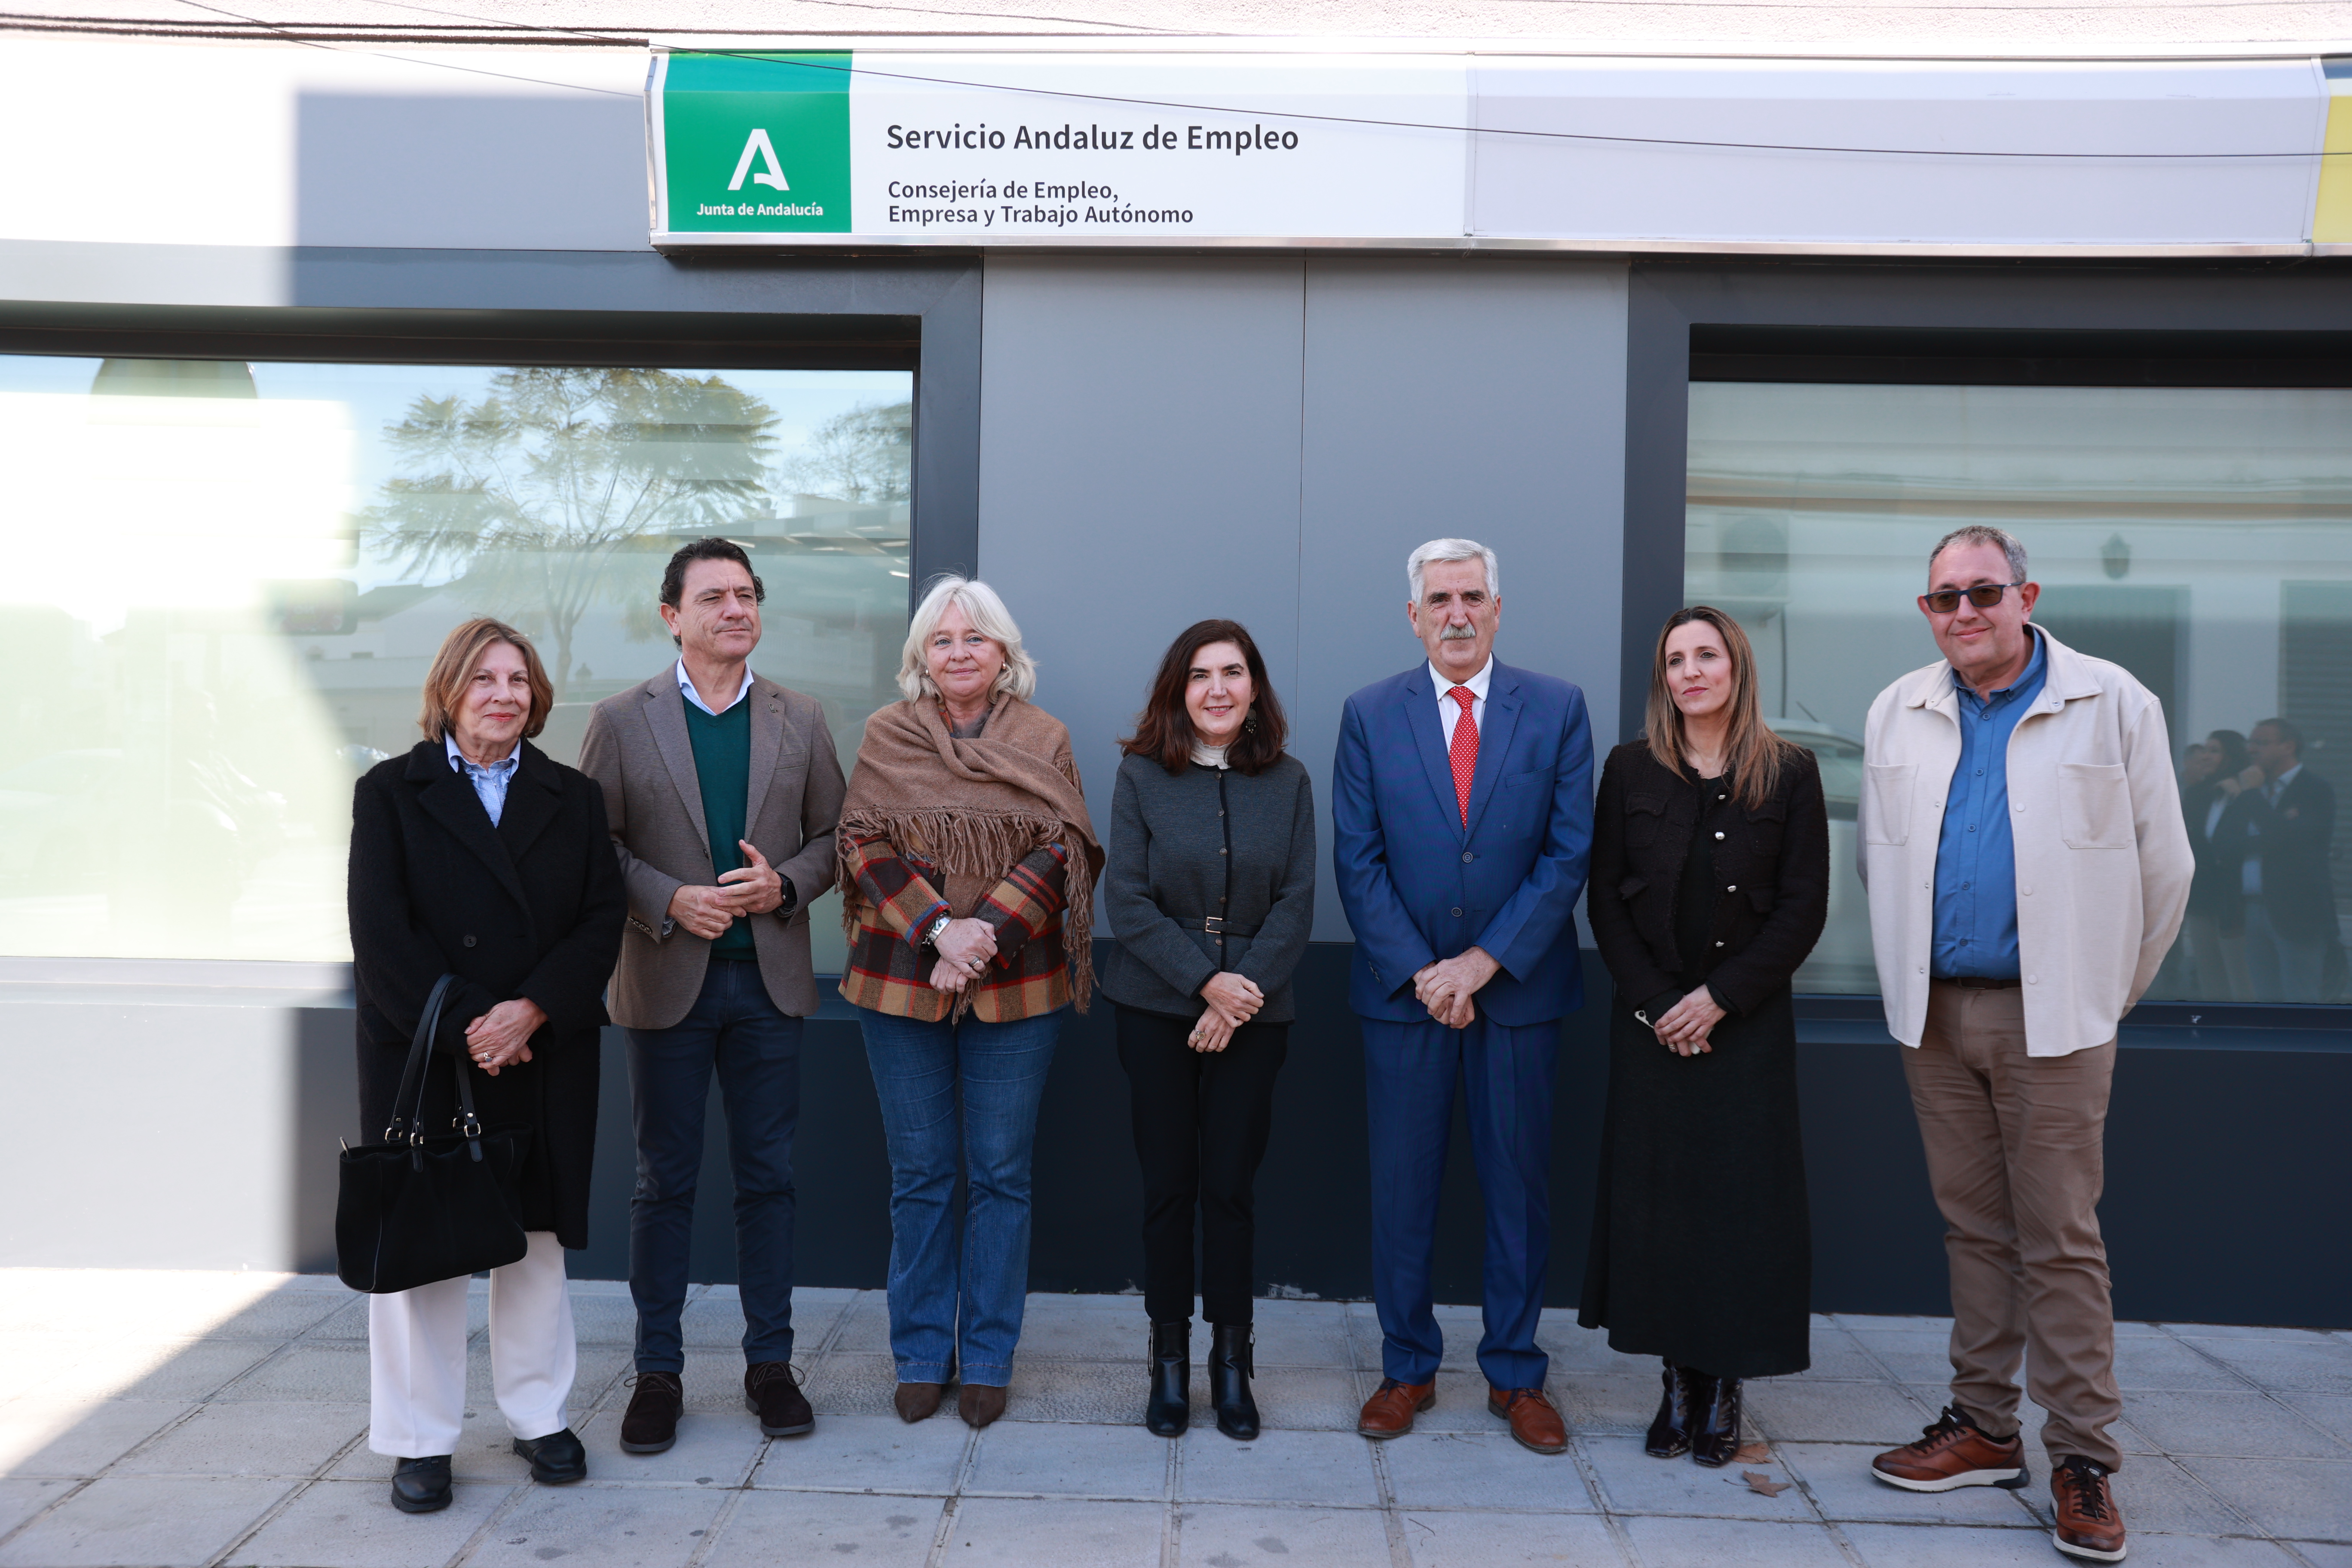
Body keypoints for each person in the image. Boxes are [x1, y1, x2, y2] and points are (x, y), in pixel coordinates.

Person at [1860, 526, 2190, 1565]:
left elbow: (2165, 871)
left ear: (2025, 595)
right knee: (1973, 1230)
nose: (1962, 612)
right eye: (1942, 598)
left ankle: (2083, 1457)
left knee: (2059, 1238)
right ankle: (1983, 1426)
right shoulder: (1898, 708)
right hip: (1935, 1017)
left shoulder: (2113, 701)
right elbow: (1880, 862)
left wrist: (2098, 995)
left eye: (1981, 593)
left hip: (2055, 1020)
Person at [348, 619, 625, 1514]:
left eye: (518, 679)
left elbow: (601, 920)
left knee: (533, 1242)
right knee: (424, 1247)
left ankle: (539, 1415)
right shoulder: (389, 792)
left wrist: (532, 1009)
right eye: (484, 679)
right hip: (428, 1045)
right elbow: (381, 934)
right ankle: (418, 1439)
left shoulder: (573, 796)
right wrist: (477, 1022)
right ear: (449, 691)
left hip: (543, 1047)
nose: (503, 694)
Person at [577, 538, 847, 1455]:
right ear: (672, 616)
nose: (736, 609)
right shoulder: (621, 720)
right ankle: (657, 1373)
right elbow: (595, 848)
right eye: (714, 597)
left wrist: (786, 885)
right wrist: (667, 898)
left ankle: (771, 1365)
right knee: (664, 1183)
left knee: (769, 1180)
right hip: (666, 984)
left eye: (746, 594)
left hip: (769, 985)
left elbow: (836, 838)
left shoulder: (801, 717)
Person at [1331, 537, 1595, 1458]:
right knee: (1402, 1190)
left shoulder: (1556, 707)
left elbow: (1567, 852)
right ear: (1413, 616)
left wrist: (1481, 963)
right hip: (1404, 998)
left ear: (1496, 608)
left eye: (1472, 596)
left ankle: (1516, 1373)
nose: (1456, 613)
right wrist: (1425, 972)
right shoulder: (1370, 714)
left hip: (1517, 993)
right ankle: (1406, 1366)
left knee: (1517, 1191)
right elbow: (1357, 859)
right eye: (1439, 599)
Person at [836, 575, 1104, 1430]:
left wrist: (982, 935)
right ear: (923, 653)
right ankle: (921, 1353)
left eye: (975, 638)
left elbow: (1064, 846)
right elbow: (861, 840)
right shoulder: (888, 733)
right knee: (921, 1175)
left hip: (1015, 982)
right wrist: (939, 930)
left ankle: (987, 1356)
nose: (958, 653)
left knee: (1000, 1174)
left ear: (1003, 651)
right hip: (900, 979)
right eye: (943, 639)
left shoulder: (1043, 737)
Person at [1580, 607, 1828, 1467]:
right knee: (1662, 1210)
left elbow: (1802, 906)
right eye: (1675, 659)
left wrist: (1719, 998)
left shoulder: (1789, 772)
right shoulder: (1630, 768)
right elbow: (1604, 897)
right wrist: (1659, 1003)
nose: (1690, 671)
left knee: (1738, 1212)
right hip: (1651, 1028)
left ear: (1736, 667)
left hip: (1744, 1029)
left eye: (1706, 655)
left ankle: (1724, 1384)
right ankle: (1677, 1383)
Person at [1101, 619, 1317, 1441]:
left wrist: (1237, 995)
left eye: (1232, 672)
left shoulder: (1289, 781)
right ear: (1178, 689)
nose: (1217, 688)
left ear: (1254, 688)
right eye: (1200, 674)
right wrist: (1204, 984)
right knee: (1168, 1187)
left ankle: (1232, 1363)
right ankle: (1167, 1363)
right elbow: (1126, 900)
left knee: (1229, 1188)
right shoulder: (1139, 775)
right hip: (1155, 1010)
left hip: (1256, 1014)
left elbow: (1297, 901)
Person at [2220, 717, 2336, 1003]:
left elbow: (2291, 841)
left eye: (2261, 743)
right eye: (2251, 743)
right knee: (2265, 1001)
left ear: (2288, 747)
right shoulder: (2255, 789)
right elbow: (2226, 843)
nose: (2252, 749)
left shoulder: (2314, 790)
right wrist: (2272, 835)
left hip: (2295, 911)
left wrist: (2252, 797)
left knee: (2300, 1000)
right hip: (2252, 909)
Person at [2177, 730, 2252, 1000]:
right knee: (2210, 978)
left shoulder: (2247, 792)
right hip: (2202, 896)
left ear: (2231, 756)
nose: (2205, 756)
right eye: (2205, 750)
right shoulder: (2197, 793)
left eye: (2214, 751)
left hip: (2235, 900)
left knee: (2241, 979)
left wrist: (2242, 794)